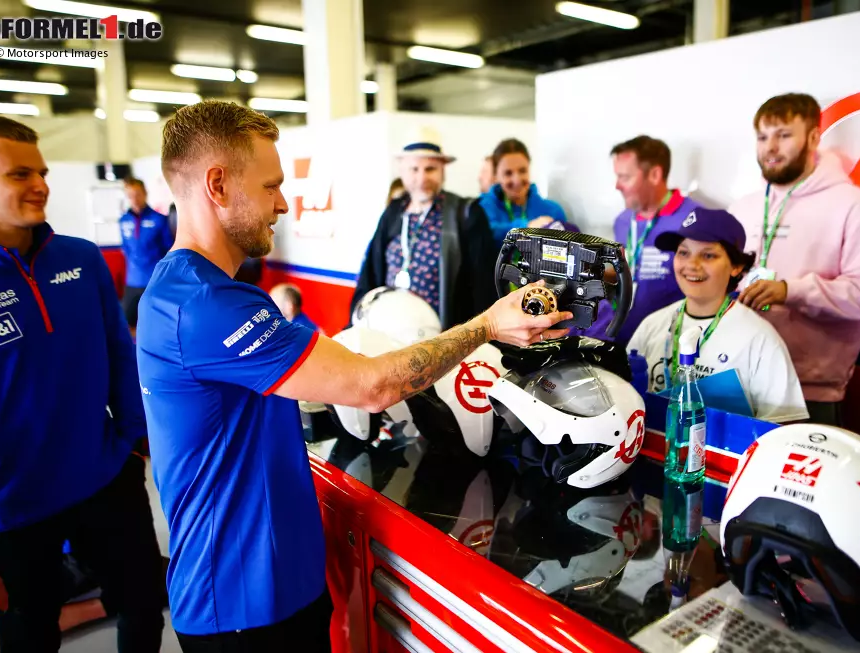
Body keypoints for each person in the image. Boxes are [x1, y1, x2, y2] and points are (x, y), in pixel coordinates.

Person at [136, 100, 570, 650]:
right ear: (217, 185)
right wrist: (486, 326)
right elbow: (372, 387)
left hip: (274, 586)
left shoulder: (205, 291)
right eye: (270, 186)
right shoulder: (204, 304)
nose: (283, 204)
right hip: (241, 603)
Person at [0, 115, 165, 652]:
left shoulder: (80, 259)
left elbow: (119, 355)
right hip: (8, 509)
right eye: (19, 174)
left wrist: (133, 441)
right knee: (30, 635)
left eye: (41, 171)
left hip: (103, 476)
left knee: (143, 602)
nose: (39, 184)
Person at [729, 93, 860, 426]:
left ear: (813, 137)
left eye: (784, 135)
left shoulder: (857, 205)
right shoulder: (743, 206)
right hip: (736, 377)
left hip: (810, 391)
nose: (770, 147)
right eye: (763, 137)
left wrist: (790, 291)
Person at [628, 207, 808, 423]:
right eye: (683, 252)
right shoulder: (653, 324)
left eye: (708, 255)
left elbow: (784, 425)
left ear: (736, 266)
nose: (691, 265)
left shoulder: (759, 339)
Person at [351, 132, 497, 330]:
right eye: (414, 169)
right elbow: (370, 274)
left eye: (430, 169)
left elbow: (483, 287)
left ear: (442, 171)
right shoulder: (393, 212)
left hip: (444, 338)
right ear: (402, 171)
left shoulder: (467, 214)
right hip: (389, 331)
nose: (422, 178)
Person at [583, 135, 702, 347]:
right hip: (621, 338)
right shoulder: (623, 220)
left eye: (625, 177)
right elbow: (630, 268)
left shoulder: (692, 219)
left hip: (668, 343)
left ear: (655, 175)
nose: (617, 185)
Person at [479, 138, 571, 248]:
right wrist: (527, 228)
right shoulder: (482, 208)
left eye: (522, 171)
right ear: (495, 176)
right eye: (508, 173)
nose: (517, 180)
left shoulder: (553, 211)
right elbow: (487, 234)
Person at [119, 177, 174, 337]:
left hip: (154, 281)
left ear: (145, 194)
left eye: (137, 194)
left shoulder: (159, 220)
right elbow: (126, 249)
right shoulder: (123, 221)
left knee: (159, 324)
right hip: (132, 281)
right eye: (130, 195)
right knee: (123, 326)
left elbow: (169, 250)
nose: (134, 199)